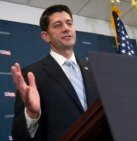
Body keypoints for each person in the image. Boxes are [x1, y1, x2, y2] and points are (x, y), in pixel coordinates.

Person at [11, 5, 99, 141]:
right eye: (57, 25)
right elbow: (20, 136)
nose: (66, 28)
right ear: (46, 36)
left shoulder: (94, 69)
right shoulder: (31, 74)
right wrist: (32, 114)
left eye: (69, 23)